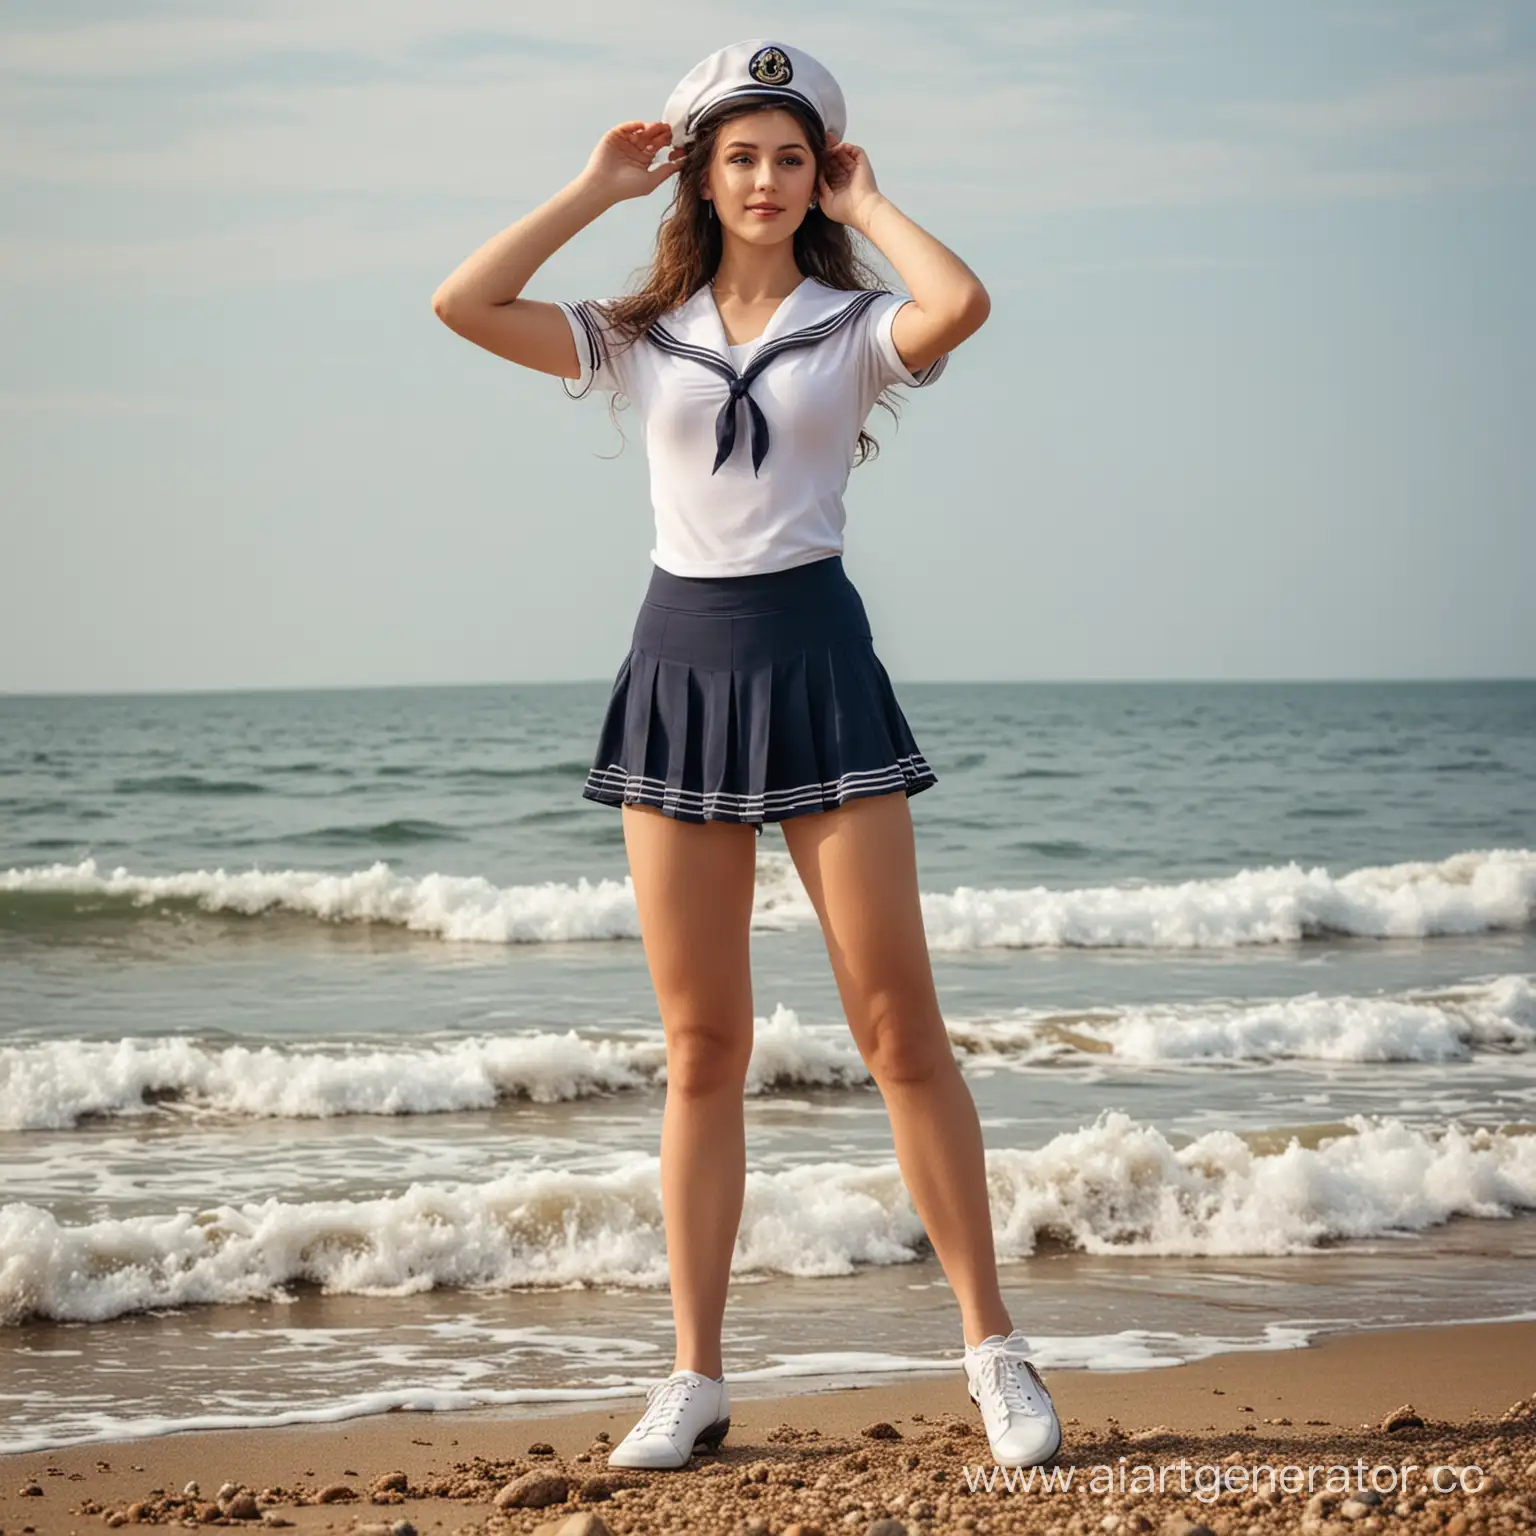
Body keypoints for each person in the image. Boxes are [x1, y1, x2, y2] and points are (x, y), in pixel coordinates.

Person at [431, 38, 1062, 1473]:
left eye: (792, 157)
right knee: (701, 1047)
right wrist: (594, 186)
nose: (766, 180)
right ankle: (695, 1378)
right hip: (681, 669)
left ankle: (995, 1352)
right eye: (741, 158)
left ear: (816, 172)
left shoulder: (852, 325)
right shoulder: (641, 336)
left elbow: (960, 303)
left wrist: (874, 198)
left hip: (819, 663)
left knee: (898, 1029)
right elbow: (460, 302)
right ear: (702, 178)